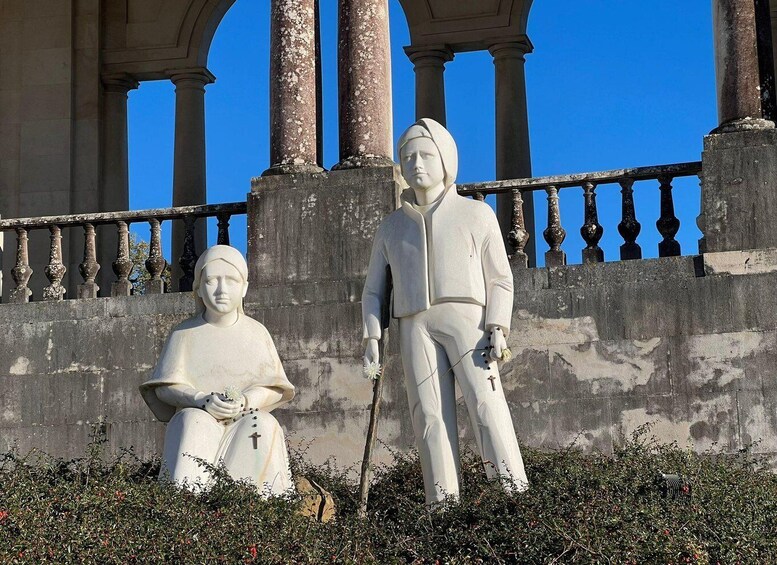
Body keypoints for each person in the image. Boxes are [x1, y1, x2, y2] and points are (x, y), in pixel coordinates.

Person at [362, 118, 529, 505]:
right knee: (429, 417)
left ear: (445, 160)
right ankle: (443, 509)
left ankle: (515, 500)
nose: (416, 163)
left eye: (425, 155)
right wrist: (372, 336)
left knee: (486, 405)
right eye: (407, 156)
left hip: (467, 319)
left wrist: (498, 326)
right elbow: (372, 291)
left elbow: (501, 279)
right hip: (412, 322)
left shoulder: (475, 214)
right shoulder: (390, 228)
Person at [140, 245, 295, 496]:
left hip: (243, 417)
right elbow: (166, 388)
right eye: (212, 280)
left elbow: (275, 387)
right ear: (199, 288)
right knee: (193, 422)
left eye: (231, 280)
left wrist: (245, 401)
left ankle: (263, 508)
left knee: (262, 424)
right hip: (199, 415)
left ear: (244, 287)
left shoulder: (257, 333)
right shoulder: (183, 333)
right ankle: (184, 506)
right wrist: (200, 400)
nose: (222, 290)